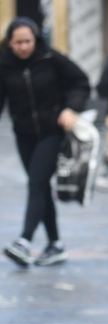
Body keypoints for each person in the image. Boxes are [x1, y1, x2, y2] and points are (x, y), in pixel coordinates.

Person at [1, 17, 90, 268]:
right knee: (39, 186)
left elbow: (81, 82)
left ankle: (24, 241)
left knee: (36, 182)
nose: (23, 47)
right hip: (24, 133)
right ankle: (55, 245)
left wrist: (71, 109)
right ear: (9, 43)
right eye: (18, 42)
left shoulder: (51, 58)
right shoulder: (4, 64)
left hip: (52, 132)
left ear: (36, 39)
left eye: (27, 41)